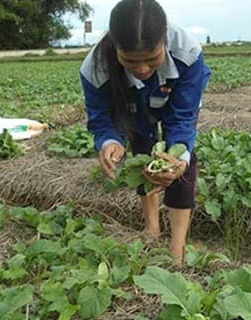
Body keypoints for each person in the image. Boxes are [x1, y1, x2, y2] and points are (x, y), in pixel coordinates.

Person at [80, 0, 211, 263]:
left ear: (164, 41)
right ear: (116, 48)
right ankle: (151, 227)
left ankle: (177, 247)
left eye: (152, 60)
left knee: (179, 162)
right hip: (132, 105)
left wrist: (180, 156)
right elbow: (101, 116)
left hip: (171, 99)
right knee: (141, 149)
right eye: (130, 61)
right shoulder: (95, 68)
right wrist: (108, 142)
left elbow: (183, 117)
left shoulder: (187, 53)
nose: (141, 69)